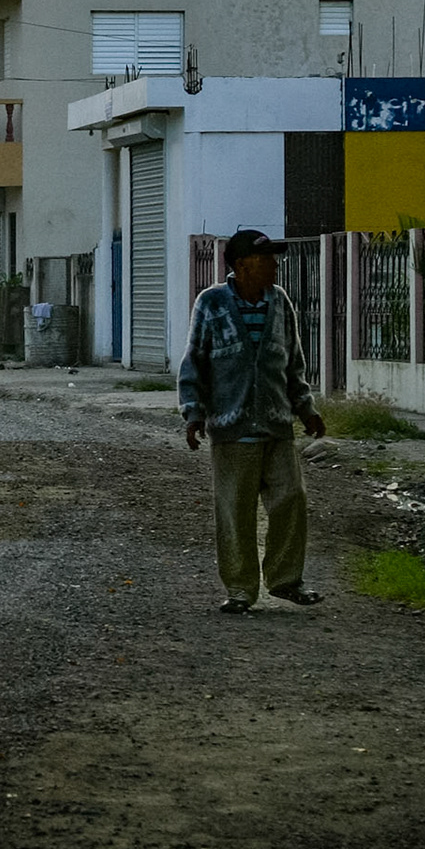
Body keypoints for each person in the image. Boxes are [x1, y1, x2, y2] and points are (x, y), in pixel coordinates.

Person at [178, 229, 328, 614]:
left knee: (290, 501)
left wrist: (306, 409)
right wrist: (193, 413)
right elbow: (194, 361)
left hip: (277, 426)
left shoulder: (279, 302)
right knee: (234, 511)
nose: (275, 266)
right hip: (232, 428)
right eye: (266, 260)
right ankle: (241, 589)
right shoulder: (211, 304)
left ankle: (285, 580)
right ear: (243, 266)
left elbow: (293, 363)